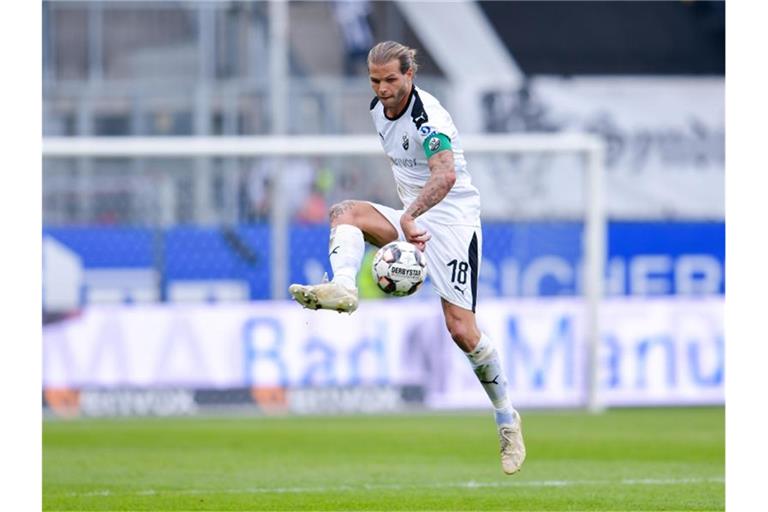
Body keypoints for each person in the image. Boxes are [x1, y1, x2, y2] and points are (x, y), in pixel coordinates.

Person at [288, 41, 526, 475]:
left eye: (391, 80)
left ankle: (506, 417)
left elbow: (446, 174)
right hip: (414, 219)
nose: (382, 89)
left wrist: (412, 216)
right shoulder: (378, 111)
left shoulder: (427, 116)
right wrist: (406, 225)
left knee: (461, 331)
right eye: (375, 81)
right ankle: (343, 285)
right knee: (345, 213)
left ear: (410, 75)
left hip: (453, 225)